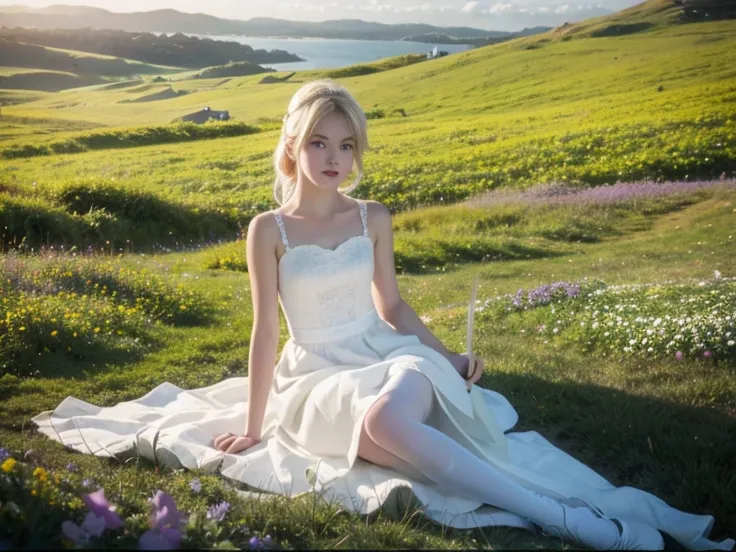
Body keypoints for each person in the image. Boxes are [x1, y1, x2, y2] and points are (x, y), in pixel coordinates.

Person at [33, 80, 734, 552]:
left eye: (346, 146)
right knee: (376, 431)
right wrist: (253, 425)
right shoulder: (267, 230)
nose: (334, 159)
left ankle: (574, 521)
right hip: (311, 377)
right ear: (292, 146)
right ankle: (561, 516)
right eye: (319, 143)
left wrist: (450, 360)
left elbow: (391, 306)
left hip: (387, 356)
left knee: (385, 420)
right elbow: (264, 332)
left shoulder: (374, 216)